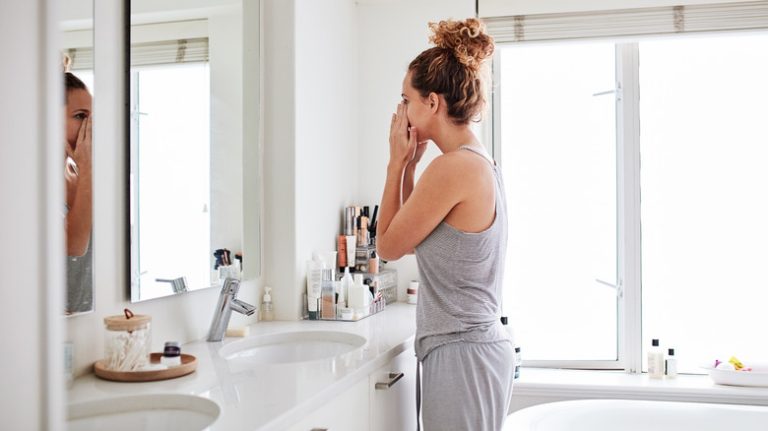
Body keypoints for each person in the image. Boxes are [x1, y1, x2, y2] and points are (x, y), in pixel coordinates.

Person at [375, 18, 513, 430]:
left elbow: (387, 247)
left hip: (463, 355)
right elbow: (416, 239)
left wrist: (396, 162)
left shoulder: (452, 168)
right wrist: (411, 166)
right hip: (473, 350)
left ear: (432, 103)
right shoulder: (473, 160)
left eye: (406, 99)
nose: (402, 111)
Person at [64, 68, 93, 314]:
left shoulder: (79, 176)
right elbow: (74, 246)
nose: (90, 126)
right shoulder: (29, 182)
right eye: (81, 116)